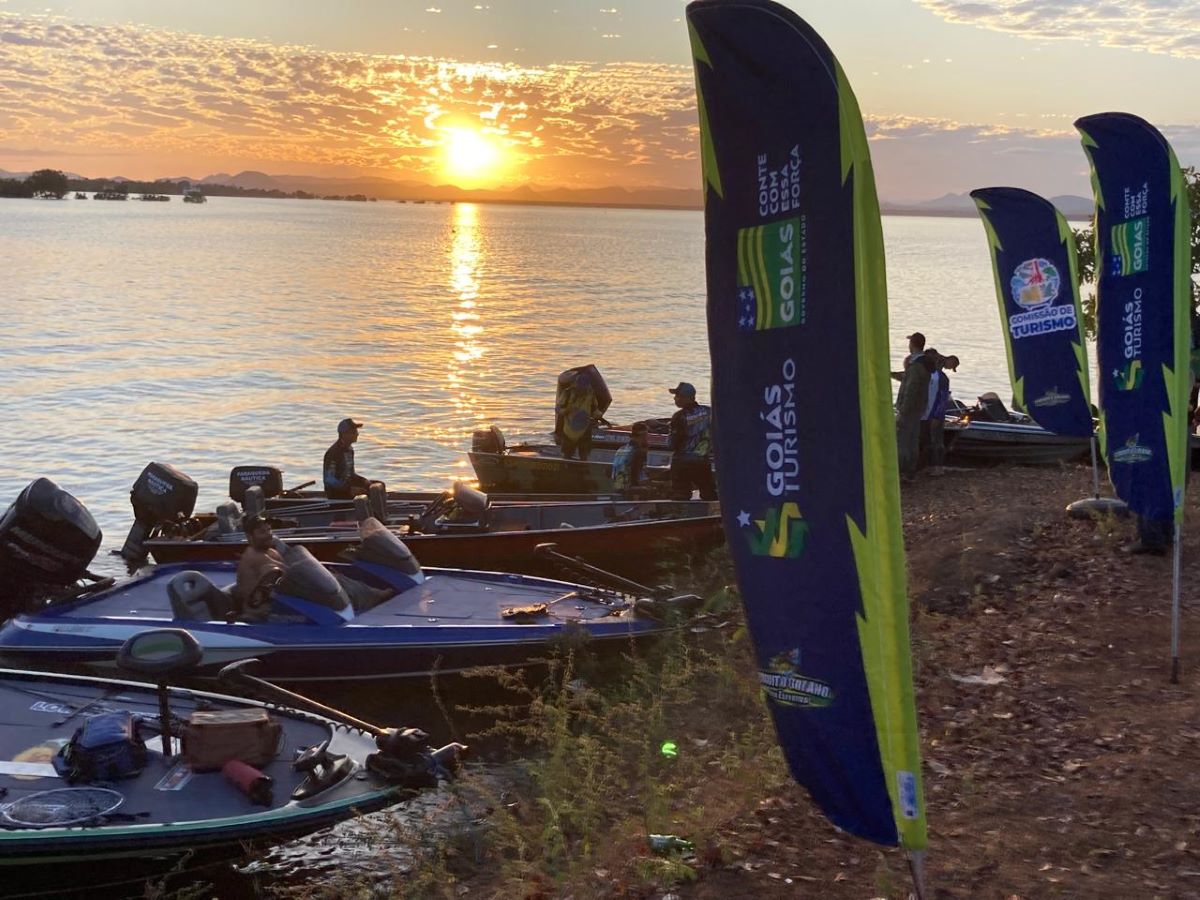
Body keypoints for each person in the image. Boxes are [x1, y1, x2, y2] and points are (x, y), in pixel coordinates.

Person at [667, 382, 717, 500]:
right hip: (702, 461)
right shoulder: (709, 412)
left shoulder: (679, 416)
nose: (675, 398)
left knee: (680, 494)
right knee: (708, 493)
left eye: (677, 395)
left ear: (686, 398)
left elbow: (673, 444)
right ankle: (712, 515)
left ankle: (680, 512)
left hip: (682, 462)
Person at [235, 514, 287, 619]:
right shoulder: (253, 556)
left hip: (273, 604)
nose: (269, 534)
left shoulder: (271, 552)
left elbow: (290, 571)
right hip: (255, 613)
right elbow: (290, 572)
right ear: (249, 537)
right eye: (262, 532)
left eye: (269, 530)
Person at [895, 350, 933, 479]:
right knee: (913, 441)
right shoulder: (926, 369)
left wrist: (903, 409)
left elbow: (910, 390)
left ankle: (901, 470)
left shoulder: (915, 369)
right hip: (918, 410)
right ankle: (911, 471)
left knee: (902, 442)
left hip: (909, 411)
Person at [555, 370, 602, 460]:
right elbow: (558, 409)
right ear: (576, 384)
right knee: (567, 454)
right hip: (569, 429)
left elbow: (594, 410)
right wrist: (565, 411)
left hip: (584, 429)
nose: (582, 389)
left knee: (584, 454)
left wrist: (598, 415)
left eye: (584, 387)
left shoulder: (591, 394)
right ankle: (566, 468)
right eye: (580, 386)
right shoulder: (567, 393)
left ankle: (583, 469)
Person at [323, 417, 372, 500]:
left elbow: (351, 474)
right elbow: (329, 480)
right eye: (353, 432)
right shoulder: (333, 452)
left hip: (347, 487)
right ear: (344, 434)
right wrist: (349, 489)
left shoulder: (350, 450)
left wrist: (364, 481)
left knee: (375, 486)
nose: (357, 434)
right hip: (335, 493)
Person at [925, 354, 957, 476]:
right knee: (935, 440)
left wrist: (937, 416)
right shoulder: (937, 375)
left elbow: (943, 399)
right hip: (933, 413)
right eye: (952, 366)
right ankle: (934, 466)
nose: (950, 369)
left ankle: (937, 467)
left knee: (936, 441)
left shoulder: (941, 378)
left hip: (935, 414)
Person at [611, 421, 650, 497]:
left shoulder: (621, 449)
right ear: (644, 435)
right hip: (630, 489)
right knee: (654, 489)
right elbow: (638, 478)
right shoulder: (639, 451)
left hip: (617, 487)